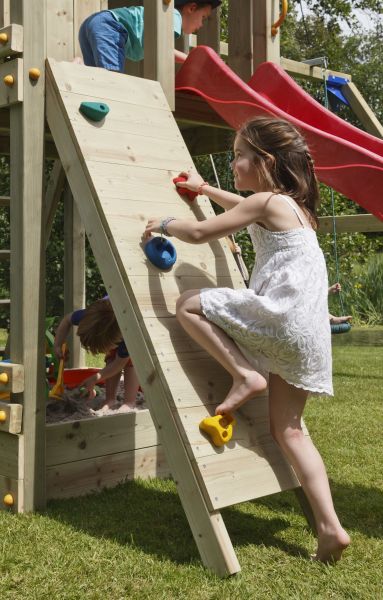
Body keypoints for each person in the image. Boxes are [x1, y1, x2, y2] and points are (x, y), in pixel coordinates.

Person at [144, 116, 350, 563]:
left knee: (188, 306)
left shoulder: (265, 201)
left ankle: (243, 375)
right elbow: (242, 203)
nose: (233, 164)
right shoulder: (297, 210)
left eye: (239, 156)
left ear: (266, 161)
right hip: (308, 333)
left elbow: (200, 232)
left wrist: (163, 222)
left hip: (281, 319)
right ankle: (331, 528)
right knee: (289, 431)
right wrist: (204, 190)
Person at [54, 298, 141, 415]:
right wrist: (58, 344)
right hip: (112, 319)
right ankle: (110, 399)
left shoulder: (127, 332)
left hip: (133, 321)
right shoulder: (87, 318)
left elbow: (119, 363)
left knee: (131, 362)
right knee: (111, 358)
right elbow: (67, 320)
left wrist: (95, 378)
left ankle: (129, 402)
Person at [78, 1, 221, 72]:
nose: (201, 24)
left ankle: (78, 69)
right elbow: (164, 50)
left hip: (94, 23)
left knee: (95, 77)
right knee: (112, 78)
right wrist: (190, 60)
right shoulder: (172, 15)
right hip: (110, 27)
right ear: (191, 8)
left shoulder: (167, 15)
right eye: (203, 17)